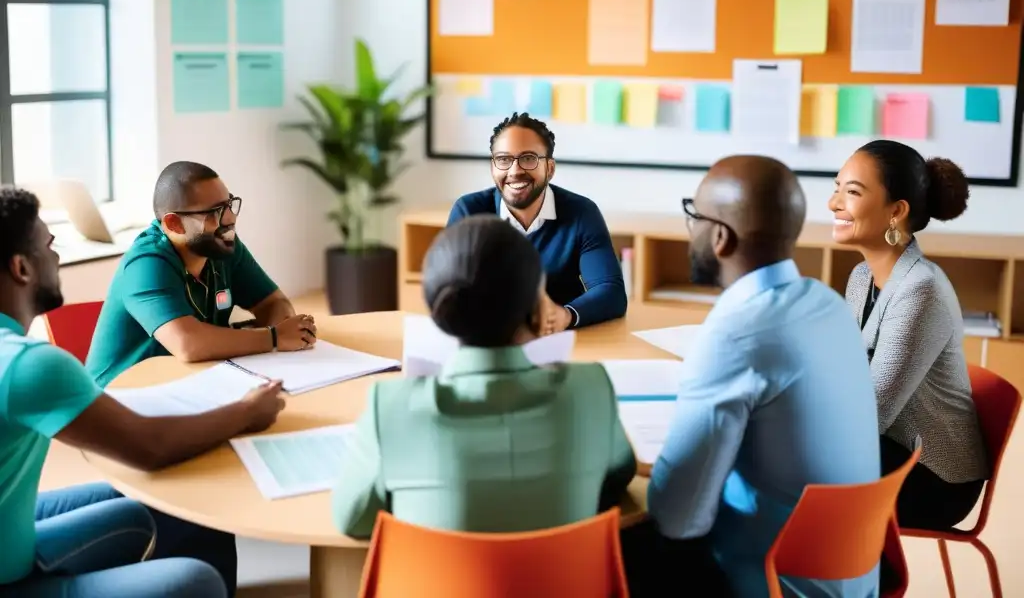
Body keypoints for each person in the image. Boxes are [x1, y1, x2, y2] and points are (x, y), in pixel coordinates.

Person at [0, 186, 286, 597]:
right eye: (48, 244)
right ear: (21, 268)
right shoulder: (29, 364)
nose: (57, 255)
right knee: (199, 580)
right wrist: (246, 412)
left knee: (138, 511)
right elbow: (148, 447)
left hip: (13, 537)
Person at [641, 156, 880, 598]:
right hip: (850, 573)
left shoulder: (736, 333)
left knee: (629, 545)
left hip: (773, 582)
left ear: (719, 237)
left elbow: (678, 517)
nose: (689, 229)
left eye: (694, 215)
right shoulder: (828, 304)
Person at [332, 213, 636, 538]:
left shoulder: (390, 406)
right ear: (538, 311)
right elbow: (617, 477)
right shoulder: (591, 389)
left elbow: (353, 520)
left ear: (438, 311)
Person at [830, 140, 988, 530]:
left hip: (932, 476)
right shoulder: (861, 277)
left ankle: (854, 583)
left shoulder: (921, 290)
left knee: (786, 468)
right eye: (837, 188)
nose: (834, 203)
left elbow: (869, 415)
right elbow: (845, 376)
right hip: (887, 447)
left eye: (851, 192)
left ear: (896, 211)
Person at [87, 161, 317, 387]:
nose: (230, 219)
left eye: (229, 205)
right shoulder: (145, 264)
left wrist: (284, 332)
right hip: (119, 402)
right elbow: (187, 344)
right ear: (174, 224)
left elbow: (273, 302)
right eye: (215, 212)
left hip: (189, 383)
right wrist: (273, 338)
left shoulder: (221, 245)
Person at [446, 113, 627, 332]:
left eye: (529, 158)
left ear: (549, 168)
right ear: (493, 167)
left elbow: (610, 291)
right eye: (503, 159)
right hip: (491, 339)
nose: (515, 171)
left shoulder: (581, 213)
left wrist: (564, 315)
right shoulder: (469, 212)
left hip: (560, 341)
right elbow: (450, 290)